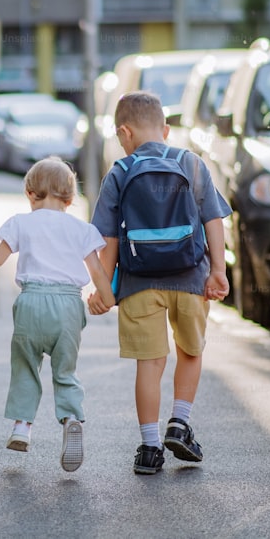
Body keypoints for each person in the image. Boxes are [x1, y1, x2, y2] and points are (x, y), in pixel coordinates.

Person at [88, 91, 231, 475]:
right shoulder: (191, 162)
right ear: (166, 129)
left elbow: (108, 242)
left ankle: (150, 448)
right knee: (190, 351)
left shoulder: (119, 171)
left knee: (149, 364)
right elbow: (214, 220)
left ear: (124, 132)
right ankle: (180, 423)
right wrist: (218, 270)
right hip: (190, 278)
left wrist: (106, 290)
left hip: (138, 283)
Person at [0, 157, 116, 472]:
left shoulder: (21, 223)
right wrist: (106, 298)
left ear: (30, 193)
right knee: (65, 371)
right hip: (67, 306)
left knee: (25, 366)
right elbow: (97, 271)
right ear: (69, 198)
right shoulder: (82, 229)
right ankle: (71, 419)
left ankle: (22, 427)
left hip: (31, 303)